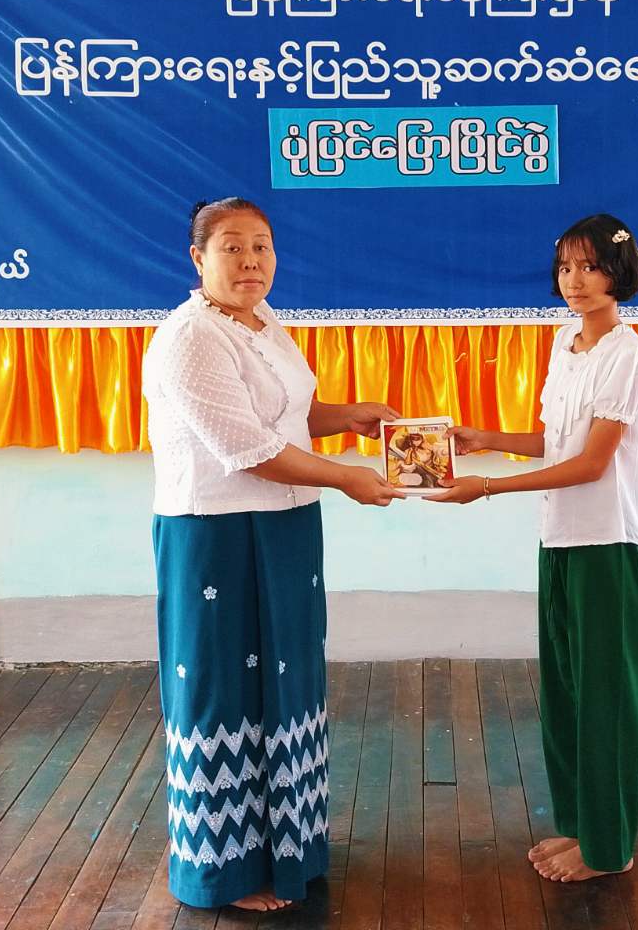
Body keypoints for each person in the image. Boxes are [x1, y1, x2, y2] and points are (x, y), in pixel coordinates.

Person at [143, 197, 399, 912]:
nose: (250, 261)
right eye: (232, 247)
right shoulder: (190, 337)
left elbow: (284, 413)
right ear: (198, 259)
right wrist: (347, 477)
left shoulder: (262, 323)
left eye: (261, 246)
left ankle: (289, 848)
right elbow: (247, 447)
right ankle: (224, 871)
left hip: (287, 524)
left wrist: (347, 417)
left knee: (289, 684)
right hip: (216, 532)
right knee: (222, 691)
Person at [429, 212, 638, 884]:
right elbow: (556, 443)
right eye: (566, 267)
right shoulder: (566, 344)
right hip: (559, 539)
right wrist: (485, 438)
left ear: (619, 273)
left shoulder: (628, 354)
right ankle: (582, 826)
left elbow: (591, 464)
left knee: (606, 696)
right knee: (565, 693)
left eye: (590, 267)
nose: (575, 281)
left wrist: (487, 487)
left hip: (606, 542)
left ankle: (610, 848)